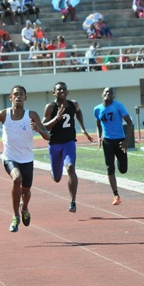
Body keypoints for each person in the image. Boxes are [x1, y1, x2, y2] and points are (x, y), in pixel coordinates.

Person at [0, 85, 49, 232]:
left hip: (27, 159)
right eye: (15, 94)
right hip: (10, 157)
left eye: (21, 94)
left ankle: (24, 208)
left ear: (25, 97)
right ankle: (15, 216)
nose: (18, 97)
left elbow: (48, 136)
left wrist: (39, 130)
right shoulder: (3, 115)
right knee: (16, 178)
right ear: (11, 97)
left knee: (26, 192)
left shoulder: (32, 115)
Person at [42, 82, 94, 213]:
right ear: (54, 93)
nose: (62, 91)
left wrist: (82, 128)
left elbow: (78, 112)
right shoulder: (50, 107)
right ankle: (53, 173)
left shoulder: (73, 104)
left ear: (67, 92)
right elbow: (44, 127)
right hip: (55, 144)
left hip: (69, 142)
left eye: (64, 89)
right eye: (59, 90)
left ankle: (73, 202)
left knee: (70, 167)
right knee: (57, 178)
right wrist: (56, 119)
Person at [93, 87, 133, 205]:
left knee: (123, 170)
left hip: (120, 140)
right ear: (102, 94)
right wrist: (99, 137)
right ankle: (116, 195)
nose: (108, 94)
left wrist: (127, 140)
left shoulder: (118, 106)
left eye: (110, 92)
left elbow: (129, 122)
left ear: (113, 96)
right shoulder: (97, 109)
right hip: (107, 141)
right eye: (106, 92)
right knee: (109, 169)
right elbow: (98, 125)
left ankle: (118, 160)